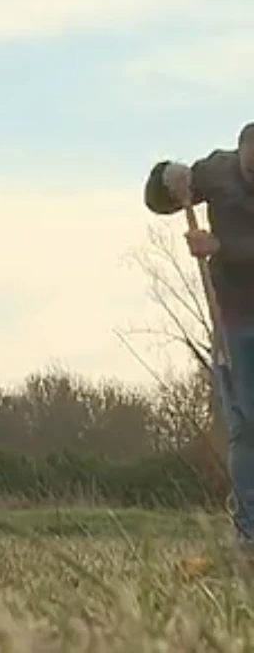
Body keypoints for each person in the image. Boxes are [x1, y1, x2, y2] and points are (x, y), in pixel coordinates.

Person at [144, 123, 254, 554]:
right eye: (250, 169)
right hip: (233, 321)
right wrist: (168, 177)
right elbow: (159, 200)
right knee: (245, 426)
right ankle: (249, 533)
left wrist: (221, 246)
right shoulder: (217, 170)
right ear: (240, 155)